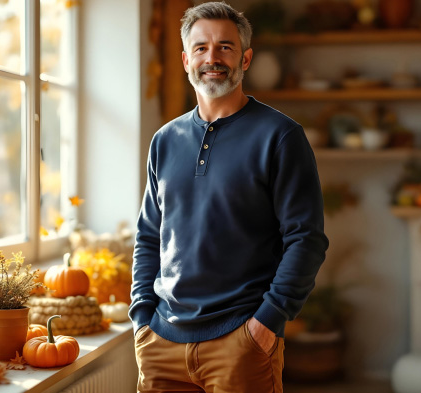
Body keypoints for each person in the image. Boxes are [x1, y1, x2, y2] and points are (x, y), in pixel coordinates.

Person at [129, 2, 329, 392]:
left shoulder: (281, 136)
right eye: (201, 48)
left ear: (246, 58)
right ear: (186, 59)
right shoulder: (164, 141)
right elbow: (149, 236)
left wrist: (266, 324)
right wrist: (141, 318)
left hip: (241, 341)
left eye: (225, 47)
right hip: (161, 343)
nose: (212, 58)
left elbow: (306, 239)